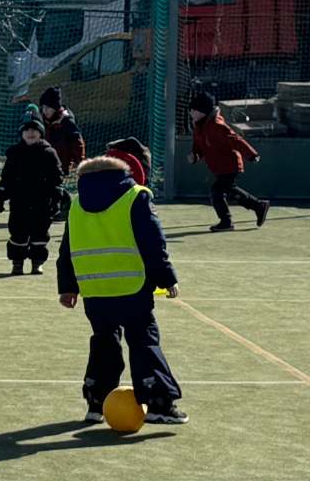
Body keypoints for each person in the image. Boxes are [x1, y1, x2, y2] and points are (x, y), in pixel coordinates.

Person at [56, 154, 186, 426]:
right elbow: (153, 242)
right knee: (143, 341)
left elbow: (66, 248)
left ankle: (96, 401)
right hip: (131, 286)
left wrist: (68, 287)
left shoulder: (78, 203)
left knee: (104, 341)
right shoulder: (135, 197)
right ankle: (159, 404)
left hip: (94, 289)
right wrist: (167, 277)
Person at [189, 90, 266, 232]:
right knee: (229, 190)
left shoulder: (217, 125)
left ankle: (226, 221)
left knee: (217, 191)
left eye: (194, 110)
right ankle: (258, 206)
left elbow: (235, 140)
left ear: (203, 111)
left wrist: (251, 155)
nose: (191, 112)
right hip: (219, 166)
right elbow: (198, 147)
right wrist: (195, 156)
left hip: (230, 164)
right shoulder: (198, 127)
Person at [0, 117, 63, 276]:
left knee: (40, 233)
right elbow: (8, 177)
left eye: (34, 130)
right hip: (19, 201)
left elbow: (56, 178)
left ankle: (37, 263)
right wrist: (1, 196)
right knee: (18, 232)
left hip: (42, 201)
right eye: (26, 130)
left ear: (41, 133)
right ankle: (17, 263)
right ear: (21, 134)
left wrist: (56, 199)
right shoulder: (14, 153)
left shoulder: (49, 153)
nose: (30, 133)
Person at [38, 87, 85, 220]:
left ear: (55, 108)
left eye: (48, 108)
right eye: (43, 107)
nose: (45, 111)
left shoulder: (66, 121)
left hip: (61, 160)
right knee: (45, 184)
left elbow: (77, 142)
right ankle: (54, 207)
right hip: (45, 158)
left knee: (52, 184)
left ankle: (61, 208)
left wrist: (79, 161)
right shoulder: (42, 120)